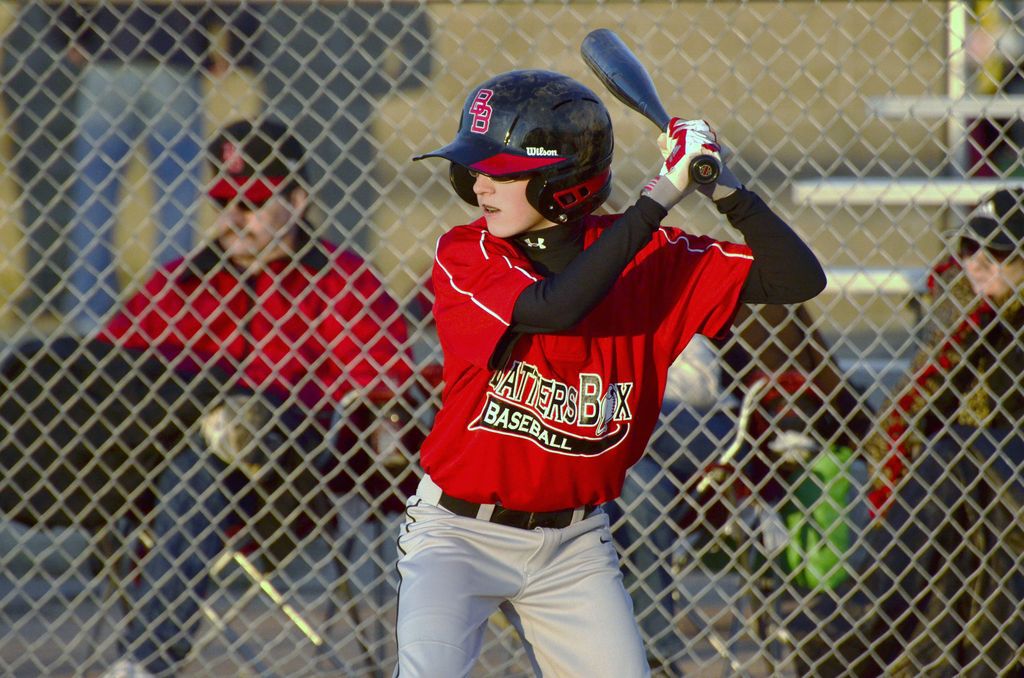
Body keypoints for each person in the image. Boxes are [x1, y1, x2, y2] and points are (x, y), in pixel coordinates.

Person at [398, 69, 825, 677]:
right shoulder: (467, 254)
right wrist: (659, 195)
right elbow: (556, 308)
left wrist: (721, 185)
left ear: (562, 181)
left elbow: (798, 279)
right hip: (459, 537)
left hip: (573, 546)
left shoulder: (655, 261)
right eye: (476, 171)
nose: (480, 186)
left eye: (502, 172)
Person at [88, 118, 413, 677]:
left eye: (254, 202)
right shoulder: (179, 284)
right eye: (224, 200)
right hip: (164, 476)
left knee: (212, 454)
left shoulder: (339, 279)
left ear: (298, 199)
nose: (235, 218)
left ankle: (145, 662)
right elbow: (105, 369)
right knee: (190, 450)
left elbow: (382, 382)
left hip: (292, 484)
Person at [793, 187, 1024, 676]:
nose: (978, 263)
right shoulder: (966, 316)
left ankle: (865, 623)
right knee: (958, 480)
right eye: (970, 248)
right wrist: (969, 328)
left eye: (999, 252)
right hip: (976, 492)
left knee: (962, 451)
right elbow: (908, 412)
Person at [58, 3, 258, 334]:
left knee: (94, 190)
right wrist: (239, 46)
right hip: (174, 56)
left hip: (109, 53)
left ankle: (89, 310)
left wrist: (74, 33)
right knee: (177, 193)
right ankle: (167, 308)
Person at [248, 1, 433, 253]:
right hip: (296, 98)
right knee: (282, 203)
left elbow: (408, 17)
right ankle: (294, 279)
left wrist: (397, 76)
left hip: (338, 101)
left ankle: (348, 280)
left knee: (347, 207)